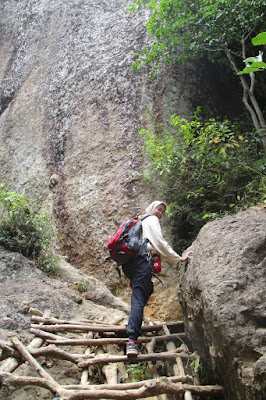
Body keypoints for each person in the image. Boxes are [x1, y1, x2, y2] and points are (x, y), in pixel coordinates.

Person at [122, 201, 191, 356]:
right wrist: (178, 259)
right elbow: (159, 242)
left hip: (134, 264)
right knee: (139, 299)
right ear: (151, 209)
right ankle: (132, 340)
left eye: (162, 212)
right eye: (158, 209)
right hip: (142, 262)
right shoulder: (151, 220)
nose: (160, 213)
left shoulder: (140, 221)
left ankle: (133, 324)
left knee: (145, 291)